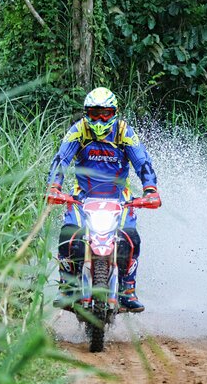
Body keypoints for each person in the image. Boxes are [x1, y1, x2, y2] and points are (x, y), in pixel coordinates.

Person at [46, 87, 161, 312]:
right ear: (86, 113)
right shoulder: (78, 131)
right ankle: (66, 287)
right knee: (68, 234)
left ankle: (128, 288)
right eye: (94, 113)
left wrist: (150, 189)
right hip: (83, 197)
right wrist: (54, 187)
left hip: (120, 199)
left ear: (114, 113)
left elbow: (142, 161)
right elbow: (61, 159)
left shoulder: (124, 132)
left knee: (131, 238)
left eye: (105, 113)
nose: (99, 119)